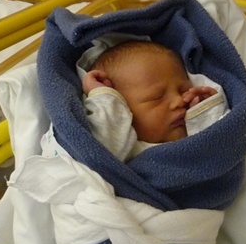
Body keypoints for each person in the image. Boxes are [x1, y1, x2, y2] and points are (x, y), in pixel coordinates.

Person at [75, 40, 228, 160]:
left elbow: (219, 147)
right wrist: (103, 95)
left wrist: (206, 110)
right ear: (121, 109)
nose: (179, 101)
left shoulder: (193, 136)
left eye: (183, 91)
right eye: (157, 97)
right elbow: (107, 145)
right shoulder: (128, 149)